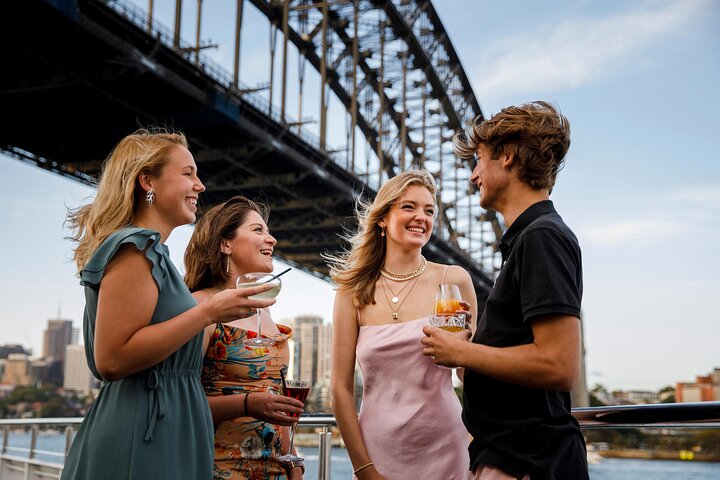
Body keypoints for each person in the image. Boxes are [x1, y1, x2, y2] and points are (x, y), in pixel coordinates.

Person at [62, 130, 275, 480]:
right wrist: (208, 312)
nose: (201, 185)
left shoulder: (154, 255)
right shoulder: (135, 247)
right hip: (142, 437)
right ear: (148, 180)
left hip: (166, 432)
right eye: (188, 173)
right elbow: (112, 359)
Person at [422, 101, 588, 479]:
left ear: (508, 157)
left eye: (478, 160)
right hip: (511, 456)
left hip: (528, 462)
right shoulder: (529, 240)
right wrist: (467, 356)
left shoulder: (542, 236)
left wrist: (463, 350)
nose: (473, 176)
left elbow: (559, 365)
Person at [327, 170, 478, 480]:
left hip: (446, 448)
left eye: (429, 210)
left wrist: (466, 349)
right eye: (408, 207)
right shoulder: (353, 291)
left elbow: (469, 378)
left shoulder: (454, 280)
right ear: (382, 218)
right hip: (377, 452)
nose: (421, 217)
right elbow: (340, 391)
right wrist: (365, 469)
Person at [184, 195, 305, 480]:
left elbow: (277, 400)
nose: (271, 239)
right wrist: (247, 403)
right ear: (225, 243)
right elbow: (180, 403)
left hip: (274, 472)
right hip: (216, 470)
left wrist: (293, 465)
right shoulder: (199, 307)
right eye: (258, 230)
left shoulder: (264, 314)